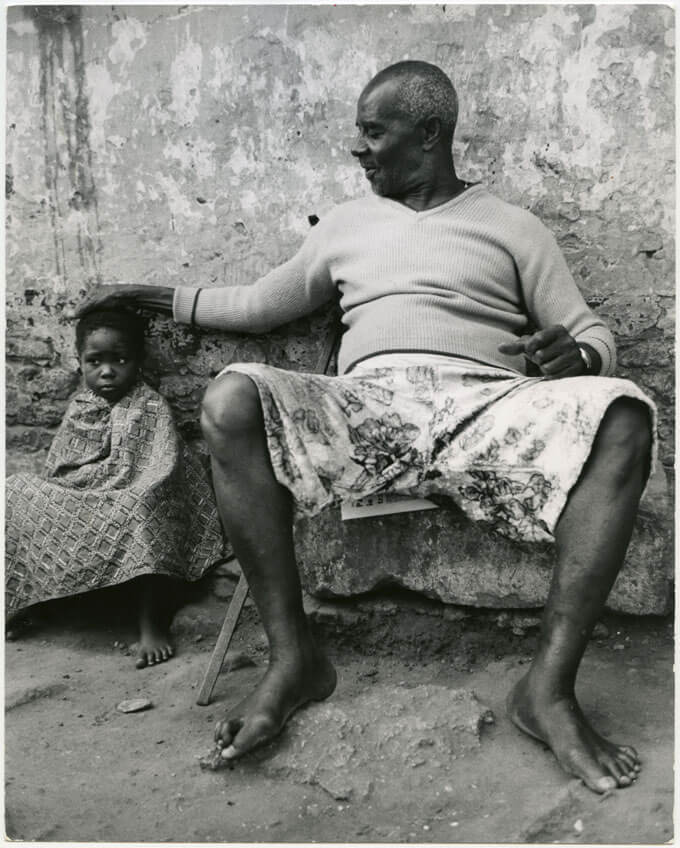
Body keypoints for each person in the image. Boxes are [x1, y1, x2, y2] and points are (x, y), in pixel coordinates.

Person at [77, 61, 654, 793]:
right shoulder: (347, 224)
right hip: (369, 412)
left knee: (626, 412)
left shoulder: (511, 226)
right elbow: (256, 305)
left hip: (485, 409)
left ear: (430, 134)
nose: (358, 147)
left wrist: (580, 352)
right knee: (230, 399)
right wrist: (138, 294)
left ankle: (547, 690)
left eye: (374, 131)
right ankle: (296, 661)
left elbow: (588, 328)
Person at [6, 308, 226, 668]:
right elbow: (60, 467)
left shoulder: (149, 405)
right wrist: (86, 489)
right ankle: (30, 602)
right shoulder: (81, 405)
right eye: (95, 361)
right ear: (80, 363)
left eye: (119, 359)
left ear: (137, 361)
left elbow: (161, 470)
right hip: (86, 494)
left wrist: (119, 490)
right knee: (13, 491)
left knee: (142, 507)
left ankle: (151, 622)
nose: (107, 371)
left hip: (136, 493)